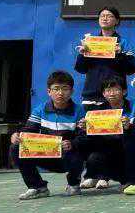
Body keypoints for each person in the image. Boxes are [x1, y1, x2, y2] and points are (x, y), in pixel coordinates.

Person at [11, 71, 86, 200]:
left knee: (80, 148)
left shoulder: (80, 111)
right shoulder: (40, 110)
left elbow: (84, 136)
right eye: (56, 89)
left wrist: (72, 143)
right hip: (46, 155)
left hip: (68, 157)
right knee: (16, 148)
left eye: (65, 89)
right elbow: (28, 130)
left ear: (72, 91)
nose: (60, 93)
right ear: (49, 91)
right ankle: (38, 187)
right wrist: (17, 136)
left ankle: (74, 183)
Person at [75, 77, 135, 195]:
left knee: (131, 140)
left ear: (124, 91)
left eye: (116, 90)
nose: (111, 94)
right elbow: (92, 139)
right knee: (93, 157)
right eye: (108, 90)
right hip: (114, 152)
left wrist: (130, 127)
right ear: (103, 94)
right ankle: (124, 180)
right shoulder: (97, 112)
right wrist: (85, 129)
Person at [74, 6, 135, 110]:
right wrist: (82, 55)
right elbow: (80, 69)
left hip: (114, 97)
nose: (105, 18)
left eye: (109, 16)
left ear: (117, 21)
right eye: (102, 16)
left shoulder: (123, 43)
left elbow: (130, 70)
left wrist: (119, 54)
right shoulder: (90, 42)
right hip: (91, 96)